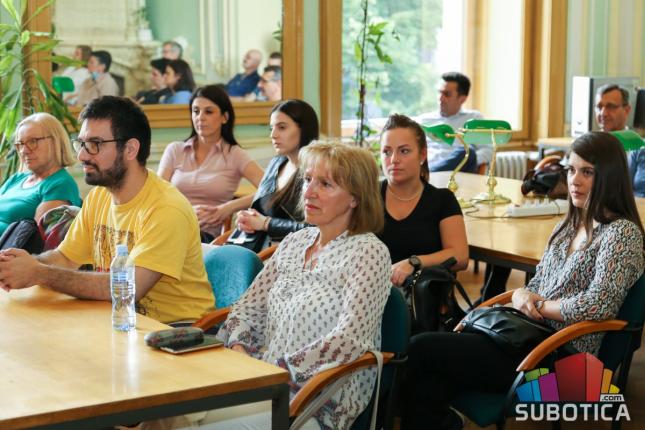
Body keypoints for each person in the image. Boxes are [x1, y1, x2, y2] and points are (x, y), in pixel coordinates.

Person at [400, 131, 645, 430]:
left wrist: (538, 306)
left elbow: (598, 305)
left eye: (587, 172)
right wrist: (521, 296)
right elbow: (537, 283)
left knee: (421, 349)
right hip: (522, 337)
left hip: (560, 356)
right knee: (431, 381)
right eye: (571, 170)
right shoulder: (568, 226)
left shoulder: (621, 233)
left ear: (610, 176)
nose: (574, 181)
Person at [146, 141, 392, 429]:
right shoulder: (294, 243)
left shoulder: (369, 253)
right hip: (260, 382)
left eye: (325, 184)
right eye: (308, 180)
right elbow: (246, 310)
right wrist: (241, 353)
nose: (308, 192)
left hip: (314, 401)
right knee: (162, 408)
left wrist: (276, 372)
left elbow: (348, 341)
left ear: (355, 198)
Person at [0, 96, 214, 324]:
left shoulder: (166, 208)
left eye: (95, 144)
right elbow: (64, 258)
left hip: (175, 331)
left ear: (130, 149)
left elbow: (128, 288)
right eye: (81, 143)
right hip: (116, 320)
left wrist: (39, 273)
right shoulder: (99, 196)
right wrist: (19, 264)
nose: (82, 155)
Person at [158, 85, 264, 241]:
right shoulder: (174, 150)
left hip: (205, 236)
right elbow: (157, 194)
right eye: (196, 111)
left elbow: (271, 190)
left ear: (224, 117)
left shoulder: (235, 154)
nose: (200, 117)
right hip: (171, 225)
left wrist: (228, 208)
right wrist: (184, 212)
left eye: (208, 112)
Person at [377, 114, 468, 289]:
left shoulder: (442, 200)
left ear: (423, 154)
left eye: (404, 151)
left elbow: (460, 256)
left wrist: (414, 262)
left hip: (423, 301)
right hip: (372, 298)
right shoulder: (367, 197)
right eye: (387, 152)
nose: (394, 159)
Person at [235, 99, 320, 249]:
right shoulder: (277, 163)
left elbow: (317, 229)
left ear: (304, 129)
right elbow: (260, 210)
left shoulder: (316, 171)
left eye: (282, 127)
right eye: (271, 128)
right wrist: (247, 219)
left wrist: (266, 224)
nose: (273, 135)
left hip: (294, 252)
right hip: (259, 246)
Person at [0, 113, 82, 236]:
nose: (24, 150)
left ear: (55, 142)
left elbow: (32, 239)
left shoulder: (60, 184)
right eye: (20, 144)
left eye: (33, 141)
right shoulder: (16, 178)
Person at [415, 72, 484, 173]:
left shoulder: (474, 119)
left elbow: (487, 150)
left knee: (468, 152)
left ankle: (426, 174)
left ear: (462, 99)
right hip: (426, 166)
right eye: (439, 92)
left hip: (455, 173)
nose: (440, 98)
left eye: (447, 94)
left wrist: (468, 160)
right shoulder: (423, 120)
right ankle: (425, 174)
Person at [594, 84, 645, 197]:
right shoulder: (587, 143)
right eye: (599, 107)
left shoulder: (639, 147)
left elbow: (641, 195)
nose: (603, 113)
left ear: (627, 110)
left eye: (611, 107)